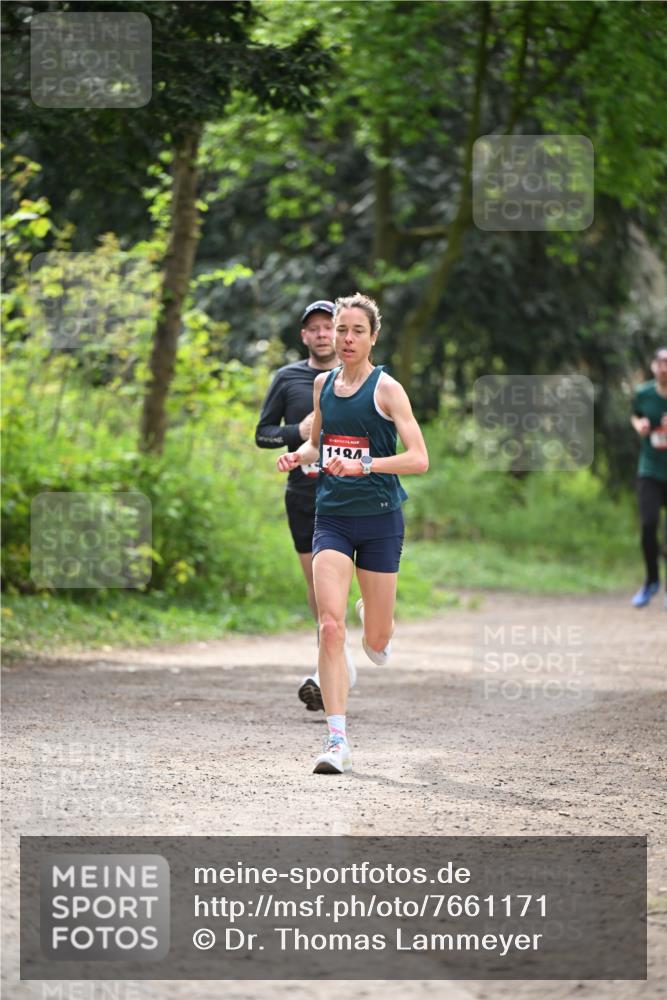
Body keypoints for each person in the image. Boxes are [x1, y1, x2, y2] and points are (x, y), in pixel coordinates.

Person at [277, 292, 429, 774]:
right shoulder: (322, 384)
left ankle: (375, 620)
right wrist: (298, 456)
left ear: (373, 337)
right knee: (329, 626)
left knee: (377, 642)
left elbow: (419, 459)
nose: (345, 338)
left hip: (381, 519)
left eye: (356, 331)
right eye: (341, 329)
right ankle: (336, 740)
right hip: (333, 518)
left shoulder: (388, 389)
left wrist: (365, 465)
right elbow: (318, 444)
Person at [256, 300, 355, 711]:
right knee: (318, 586)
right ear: (304, 336)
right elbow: (263, 434)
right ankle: (331, 667)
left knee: (348, 583)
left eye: (328, 326)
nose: (321, 334)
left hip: (350, 495)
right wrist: (297, 431)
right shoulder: (288, 378)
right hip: (303, 496)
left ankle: (339, 664)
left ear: (340, 331)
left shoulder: (357, 378)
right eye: (313, 328)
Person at [630, 346, 667, 610]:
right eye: (660, 363)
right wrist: (640, 425)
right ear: (654, 367)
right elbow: (635, 414)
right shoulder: (643, 393)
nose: (664, 368)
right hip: (650, 470)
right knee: (648, 524)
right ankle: (651, 581)